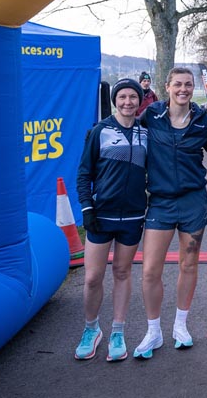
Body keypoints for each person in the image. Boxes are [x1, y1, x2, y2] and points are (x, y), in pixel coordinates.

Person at [133, 67, 207, 359]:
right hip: (161, 202)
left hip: (193, 201)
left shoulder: (205, 120)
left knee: (188, 265)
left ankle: (181, 325)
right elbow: (126, 131)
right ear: (166, 86)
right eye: (177, 84)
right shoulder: (151, 116)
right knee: (150, 270)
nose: (183, 89)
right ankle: (153, 331)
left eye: (188, 85)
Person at [74, 78, 149, 362]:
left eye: (133, 97)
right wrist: (86, 208)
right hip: (101, 216)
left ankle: (118, 331)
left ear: (139, 100)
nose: (128, 102)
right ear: (115, 100)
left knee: (121, 272)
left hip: (132, 217)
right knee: (93, 277)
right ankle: (91, 329)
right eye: (122, 97)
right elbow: (84, 173)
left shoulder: (145, 133)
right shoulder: (100, 131)